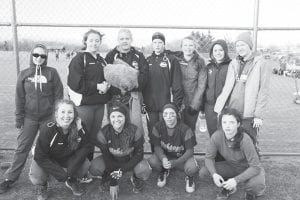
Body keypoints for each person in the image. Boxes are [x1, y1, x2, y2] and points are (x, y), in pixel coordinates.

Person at [0, 44, 63, 194]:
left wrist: (56, 117)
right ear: (31, 55)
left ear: (46, 58)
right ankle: (10, 177)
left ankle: (44, 179)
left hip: (48, 117)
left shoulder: (52, 73)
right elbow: (19, 98)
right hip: (29, 117)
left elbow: (58, 96)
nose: (39, 58)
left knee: (46, 148)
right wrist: (18, 118)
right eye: (36, 55)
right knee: (22, 148)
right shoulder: (24, 74)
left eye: (43, 56)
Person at [29, 99, 93, 199]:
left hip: (67, 158)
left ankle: (72, 180)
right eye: (62, 112)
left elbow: (86, 146)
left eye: (70, 112)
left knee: (85, 164)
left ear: (74, 114)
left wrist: (72, 167)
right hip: (49, 158)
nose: (66, 116)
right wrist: (60, 173)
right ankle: (42, 186)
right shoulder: (48, 128)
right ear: (56, 114)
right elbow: (40, 156)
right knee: (37, 177)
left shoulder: (79, 125)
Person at [214, 32, 271, 144]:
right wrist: (221, 106)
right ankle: (234, 162)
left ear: (250, 46)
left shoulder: (260, 63)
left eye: (243, 44)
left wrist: (258, 115)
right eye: (238, 45)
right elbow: (227, 88)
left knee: (249, 142)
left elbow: (263, 91)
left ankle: (252, 161)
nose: (240, 48)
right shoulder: (234, 63)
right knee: (232, 142)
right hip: (232, 110)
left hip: (248, 113)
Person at [199, 108, 265, 200]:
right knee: (204, 172)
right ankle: (228, 186)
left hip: (249, 168)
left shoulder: (245, 140)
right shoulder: (217, 136)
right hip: (232, 166)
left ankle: (250, 193)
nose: (227, 126)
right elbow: (209, 157)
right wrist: (214, 174)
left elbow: (255, 166)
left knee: (255, 186)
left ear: (238, 124)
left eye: (231, 122)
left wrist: (236, 180)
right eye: (224, 122)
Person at [89, 103, 151, 200]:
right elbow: (107, 158)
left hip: (130, 160)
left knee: (144, 169)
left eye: (120, 116)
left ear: (125, 117)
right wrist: (114, 181)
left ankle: (135, 177)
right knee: (94, 167)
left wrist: (122, 170)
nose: (116, 119)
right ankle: (107, 175)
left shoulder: (135, 130)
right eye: (113, 116)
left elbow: (139, 155)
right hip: (112, 160)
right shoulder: (103, 133)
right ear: (109, 118)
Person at [67, 29, 113, 159]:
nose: (94, 43)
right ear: (85, 41)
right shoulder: (79, 59)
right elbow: (75, 83)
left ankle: (88, 166)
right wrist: (97, 86)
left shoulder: (102, 60)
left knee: (92, 137)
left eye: (97, 40)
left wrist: (107, 86)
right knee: (81, 136)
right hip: (84, 106)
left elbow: (107, 78)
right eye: (91, 40)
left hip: (99, 105)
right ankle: (76, 169)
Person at [105, 29, 149, 135]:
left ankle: (136, 150)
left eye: (127, 38)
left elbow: (144, 76)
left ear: (131, 39)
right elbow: (106, 76)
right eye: (122, 39)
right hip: (115, 97)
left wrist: (129, 87)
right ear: (118, 40)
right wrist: (118, 88)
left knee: (135, 126)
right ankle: (117, 150)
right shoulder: (111, 55)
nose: (124, 41)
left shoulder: (139, 55)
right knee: (117, 126)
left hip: (133, 96)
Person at [148, 104, 199, 193]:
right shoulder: (157, 127)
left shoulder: (185, 129)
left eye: (172, 114)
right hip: (166, 157)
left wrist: (176, 162)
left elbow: (190, 151)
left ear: (177, 114)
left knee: (192, 168)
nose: (168, 117)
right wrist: (163, 158)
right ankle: (164, 170)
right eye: (165, 114)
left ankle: (189, 177)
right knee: (152, 161)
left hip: (181, 158)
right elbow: (156, 146)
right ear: (162, 115)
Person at [143, 32, 184, 134]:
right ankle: (154, 151)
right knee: (153, 133)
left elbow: (177, 84)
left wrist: (175, 104)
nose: (157, 45)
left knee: (168, 134)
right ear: (152, 44)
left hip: (166, 105)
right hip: (151, 105)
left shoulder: (171, 60)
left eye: (160, 42)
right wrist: (143, 102)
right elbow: (143, 83)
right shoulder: (147, 61)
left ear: (164, 44)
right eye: (155, 42)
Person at [176, 36, 207, 131]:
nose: (188, 48)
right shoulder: (176, 60)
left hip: (192, 102)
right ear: (181, 47)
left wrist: (195, 104)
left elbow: (202, 85)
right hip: (178, 101)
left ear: (194, 47)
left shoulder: (199, 61)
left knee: (189, 130)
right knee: (177, 130)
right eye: (185, 45)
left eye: (191, 45)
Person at [204, 39, 232, 136]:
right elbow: (205, 86)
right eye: (215, 51)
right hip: (210, 106)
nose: (218, 53)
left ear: (225, 51)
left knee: (226, 133)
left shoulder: (231, 66)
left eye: (220, 50)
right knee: (213, 134)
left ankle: (226, 151)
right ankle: (215, 151)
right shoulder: (209, 67)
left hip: (225, 106)